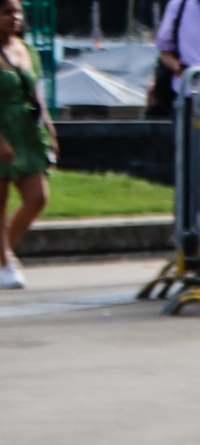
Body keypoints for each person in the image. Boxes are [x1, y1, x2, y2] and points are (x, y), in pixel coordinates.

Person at [0, 0, 52, 290]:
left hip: (25, 130)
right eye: (7, 11)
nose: (15, 17)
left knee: (38, 197)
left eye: (18, 12)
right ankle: (5, 263)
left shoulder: (25, 48)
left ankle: (3, 252)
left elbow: (35, 93)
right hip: (1, 129)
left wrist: (49, 129)